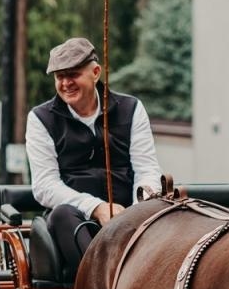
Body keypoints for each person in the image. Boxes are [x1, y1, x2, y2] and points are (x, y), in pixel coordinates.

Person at [25, 36, 163, 276]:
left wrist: (137, 212)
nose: (66, 83)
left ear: (96, 72)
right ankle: (105, 287)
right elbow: (45, 186)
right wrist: (97, 207)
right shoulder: (40, 119)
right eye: (60, 77)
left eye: (73, 74)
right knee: (61, 214)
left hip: (129, 217)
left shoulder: (131, 109)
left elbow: (147, 169)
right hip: (75, 224)